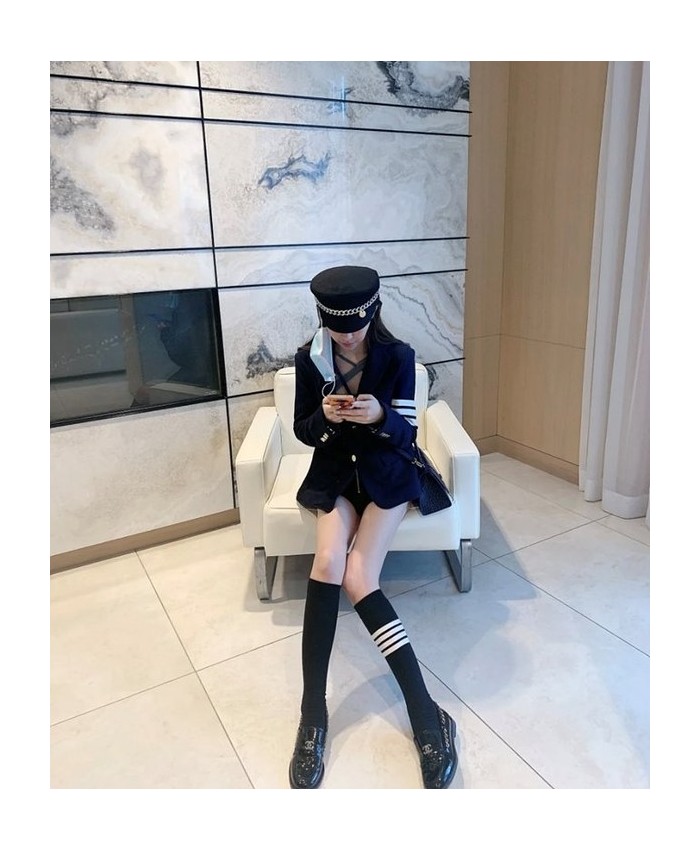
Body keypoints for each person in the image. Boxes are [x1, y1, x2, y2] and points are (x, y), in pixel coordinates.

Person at [288, 265, 458, 789]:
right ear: (323, 319)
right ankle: (312, 714)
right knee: (326, 564)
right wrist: (327, 418)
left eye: (357, 325)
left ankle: (426, 713)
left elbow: (407, 435)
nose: (348, 336)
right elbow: (303, 431)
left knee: (360, 578)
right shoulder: (309, 359)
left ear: (373, 312)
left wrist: (380, 415)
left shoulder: (398, 356)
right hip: (337, 476)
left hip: (387, 475)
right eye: (338, 327)